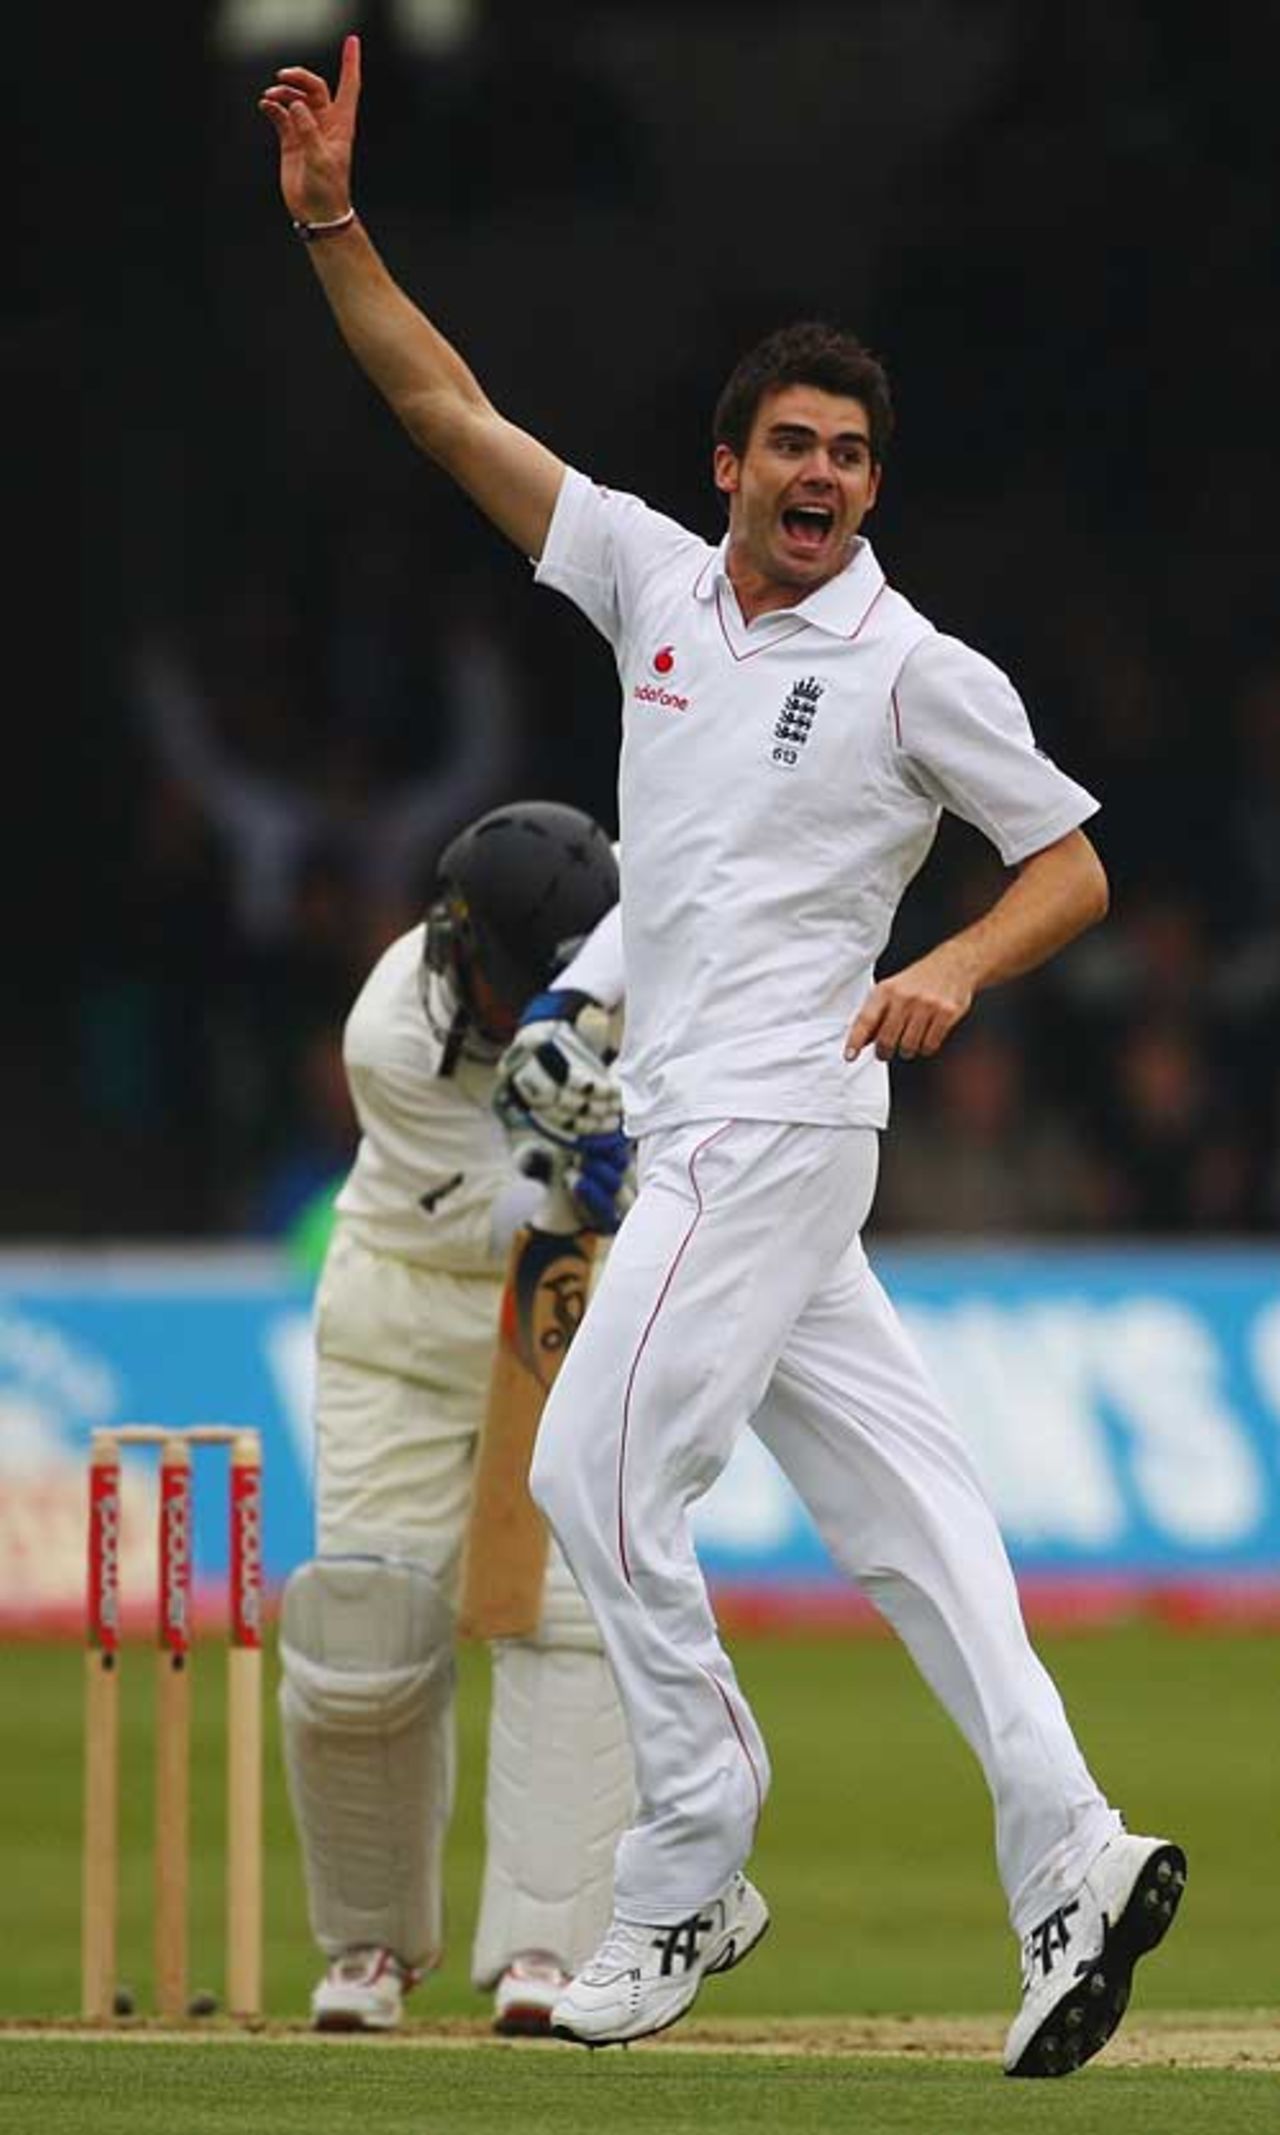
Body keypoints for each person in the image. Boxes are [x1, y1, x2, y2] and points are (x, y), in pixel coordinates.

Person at [258, 37, 1187, 2078]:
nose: (819, 475)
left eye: (848, 451)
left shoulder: (916, 669)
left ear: (873, 479)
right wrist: (332, 219)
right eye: (789, 443)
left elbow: (1077, 865)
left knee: (593, 1470)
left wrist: (948, 964)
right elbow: (441, 405)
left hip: (763, 1118)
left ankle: (688, 1856)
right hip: (739, 1132)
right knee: (922, 1532)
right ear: (729, 465)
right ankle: (1072, 1854)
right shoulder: (650, 582)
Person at [277, 796, 635, 2035]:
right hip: (408, 1318)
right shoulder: (390, 1028)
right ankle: (370, 1946)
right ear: (463, 954)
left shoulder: (650, 938)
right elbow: (508, 1214)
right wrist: (602, 1165)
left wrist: (637, 1157)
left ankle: (551, 1943)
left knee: (575, 1624)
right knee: (363, 1633)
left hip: (571, 1311)